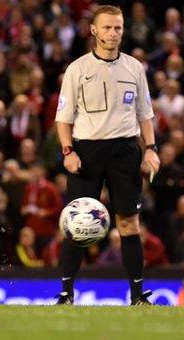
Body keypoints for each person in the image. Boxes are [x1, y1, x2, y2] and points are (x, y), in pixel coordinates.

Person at [54, 5, 160, 305]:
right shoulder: (77, 69)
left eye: (118, 28)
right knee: (76, 225)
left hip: (125, 150)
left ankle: (138, 295)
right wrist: (68, 152)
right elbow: (63, 118)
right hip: (87, 150)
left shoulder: (134, 68)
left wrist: (150, 149)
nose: (113, 33)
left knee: (129, 223)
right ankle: (65, 293)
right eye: (108, 28)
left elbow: (145, 114)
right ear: (94, 31)